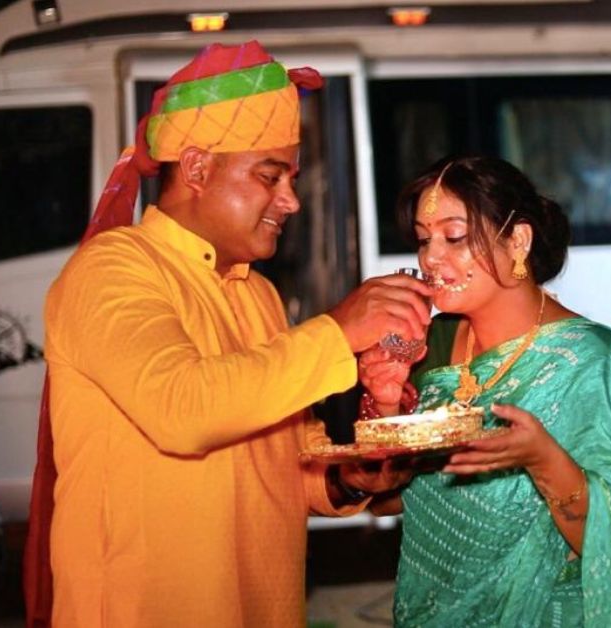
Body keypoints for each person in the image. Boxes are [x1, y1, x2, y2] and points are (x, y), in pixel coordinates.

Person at [23, 41, 428, 628]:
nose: (290, 200)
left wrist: (347, 478)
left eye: (290, 177)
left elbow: (278, 464)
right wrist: (338, 331)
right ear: (195, 168)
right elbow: (184, 409)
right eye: (269, 176)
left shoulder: (255, 293)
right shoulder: (113, 270)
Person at [358, 155, 611, 626]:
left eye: (454, 237)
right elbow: (385, 502)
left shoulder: (597, 362)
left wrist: (543, 460)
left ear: (518, 240)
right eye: (422, 239)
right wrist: (386, 406)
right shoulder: (426, 346)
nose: (431, 258)